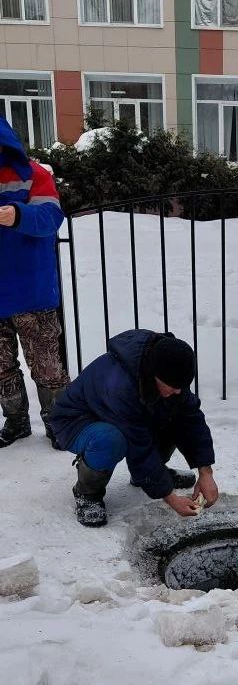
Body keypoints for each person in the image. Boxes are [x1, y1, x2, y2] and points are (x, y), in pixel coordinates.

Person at [49, 329, 219, 527]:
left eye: (181, 385)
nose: (178, 390)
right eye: (171, 385)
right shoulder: (119, 385)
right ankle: (88, 493)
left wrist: (206, 472)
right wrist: (170, 498)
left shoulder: (166, 365)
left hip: (120, 416)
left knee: (174, 411)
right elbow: (138, 445)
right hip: (76, 421)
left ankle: (152, 476)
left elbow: (191, 419)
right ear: (153, 375)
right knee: (111, 439)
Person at [0, 116, 69, 449]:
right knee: (1, 367)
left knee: (47, 366)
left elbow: (51, 218)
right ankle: (15, 421)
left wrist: (17, 215)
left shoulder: (34, 175)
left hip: (32, 292)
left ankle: (59, 424)